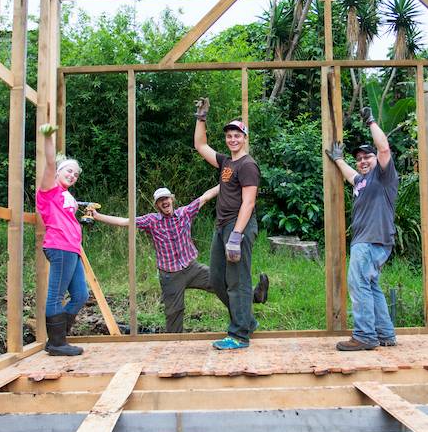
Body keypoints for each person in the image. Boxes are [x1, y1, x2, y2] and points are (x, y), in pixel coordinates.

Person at [93, 186, 269, 333]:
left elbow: (205, 197)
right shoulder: (152, 221)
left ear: (172, 200)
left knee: (222, 283)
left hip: (192, 269)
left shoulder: (184, 213)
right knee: (174, 312)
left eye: (166, 199)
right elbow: (125, 222)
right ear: (157, 205)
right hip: (170, 275)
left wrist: (227, 181)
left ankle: (255, 295)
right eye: (160, 201)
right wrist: (97, 216)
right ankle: (174, 344)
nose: (164, 202)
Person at [325, 107, 399, 351]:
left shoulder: (384, 176)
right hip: (371, 241)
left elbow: (384, 148)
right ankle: (385, 334)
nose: (363, 161)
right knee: (371, 285)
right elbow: (350, 176)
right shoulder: (362, 181)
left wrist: (371, 122)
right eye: (359, 159)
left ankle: (365, 336)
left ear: (376, 160)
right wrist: (338, 159)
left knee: (358, 284)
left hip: (371, 240)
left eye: (367, 157)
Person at [193, 97, 261, 350]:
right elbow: (200, 145)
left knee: (237, 281)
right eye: (229, 136)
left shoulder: (248, 165)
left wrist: (237, 235)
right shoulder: (227, 162)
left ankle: (240, 334)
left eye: (237, 135)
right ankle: (247, 320)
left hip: (237, 227)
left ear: (245, 138)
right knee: (217, 279)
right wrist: (201, 118)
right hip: (221, 226)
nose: (233, 139)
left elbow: (249, 202)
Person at [36, 123, 89, 356]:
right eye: (68, 171)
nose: (73, 175)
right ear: (58, 172)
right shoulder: (49, 189)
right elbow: (49, 163)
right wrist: (48, 138)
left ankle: (58, 338)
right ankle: (57, 343)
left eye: (76, 174)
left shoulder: (66, 195)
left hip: (72, 248)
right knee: (56, 295)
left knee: (81, 295)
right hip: (59, 246)